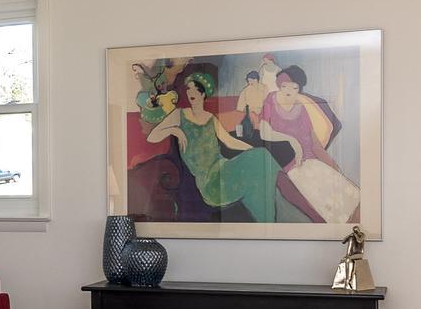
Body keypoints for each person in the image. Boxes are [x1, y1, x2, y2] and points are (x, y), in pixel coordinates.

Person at [145, 65, 281, 221]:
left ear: (203, 94)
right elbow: (152, 136)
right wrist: (174, 130)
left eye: (196, 90)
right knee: (259, 170)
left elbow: (229, 141)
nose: (191, 93)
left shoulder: (211, 118)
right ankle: (268, 222)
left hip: (224, 168)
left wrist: (252, 151)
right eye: (189, 90)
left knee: (261, 160)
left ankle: (267, 222)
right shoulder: (179, 115)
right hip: (210, 184)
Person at [257, 65, 359, 223]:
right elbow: (264, 132)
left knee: (345, 190)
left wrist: (332, 165)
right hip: (289, 162)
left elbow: (314, 142)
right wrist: (292, 141)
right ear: (279, 85)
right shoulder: (271, 100)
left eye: (294, 87)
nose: (288, 91)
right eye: (284, 86)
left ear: (299, 89)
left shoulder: (301, 108)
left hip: (308, 160)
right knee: (320, 196)